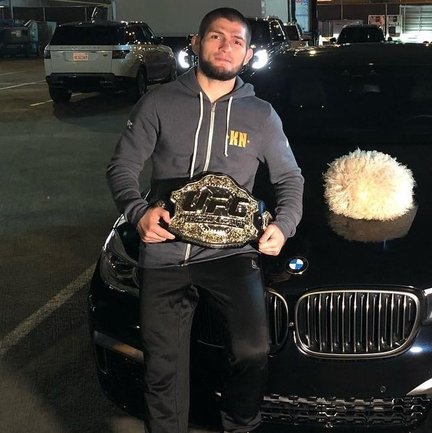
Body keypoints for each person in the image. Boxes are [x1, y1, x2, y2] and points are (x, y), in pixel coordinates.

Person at [106, 7, 304, 433]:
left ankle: (240, 424)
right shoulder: (158, 102)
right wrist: (138, 213)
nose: (226, 46)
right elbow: (122, 166)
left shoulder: (261, 115)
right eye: (217, 36)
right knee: (163, 368)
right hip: (166, 252)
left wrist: (283, 225)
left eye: (237, 41)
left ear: (247, 55)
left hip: (231, 254)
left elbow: (289, 177)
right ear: (196, 44)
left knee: (252, 350)